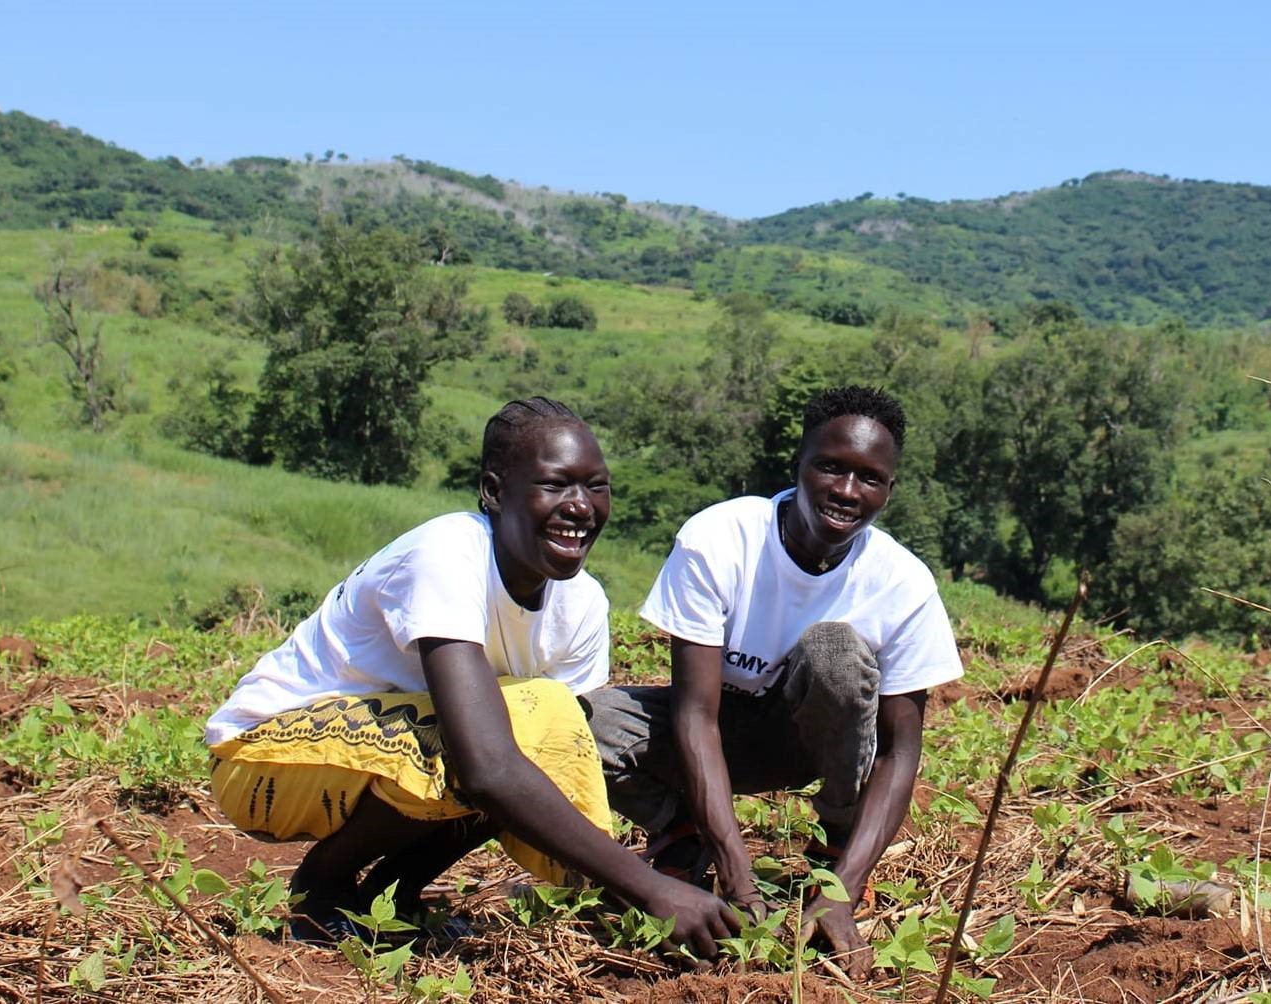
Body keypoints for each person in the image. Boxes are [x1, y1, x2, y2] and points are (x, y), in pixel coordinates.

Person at [205, 397, 738, 953]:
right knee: (502, 735)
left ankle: (393, 898)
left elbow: (542, 764)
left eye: (596, 486)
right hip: (263, 761)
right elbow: (487, 768)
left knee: (538, 733)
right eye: (556, 485)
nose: (581, 507)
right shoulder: (448, 553)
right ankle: (320, 890)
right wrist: (650, 890)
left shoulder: (581, 605)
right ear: (494, 490)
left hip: (374, 763)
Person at [584, 386, 963, 977]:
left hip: (809, 744)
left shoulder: (902, 585)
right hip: (711, 733)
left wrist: (845, 891)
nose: (846, 491)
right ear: (799, 464)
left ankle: (838, 839)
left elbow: (897, 752)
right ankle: (683, 827)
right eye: (830, 467)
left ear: (890, 490)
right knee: (585, 724)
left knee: (834, 651)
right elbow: (693, 715)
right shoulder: (721, 539)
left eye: (869, 478)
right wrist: (739, 876)